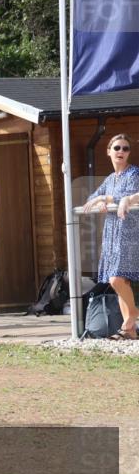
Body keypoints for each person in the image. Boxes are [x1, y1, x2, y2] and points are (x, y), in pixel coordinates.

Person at [81, 133, 139, 340]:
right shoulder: (109, 179)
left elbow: (129, 192)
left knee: (116, 279)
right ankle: (129, 330)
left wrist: (106, 198)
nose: (121, 152)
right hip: (112, 234)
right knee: (120, 280)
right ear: (109, 152)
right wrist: (100, 200)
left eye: (125, 148)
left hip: (130, 233)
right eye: (117, 148)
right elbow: (91, 198)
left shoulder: (133, 173)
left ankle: (132, 315)